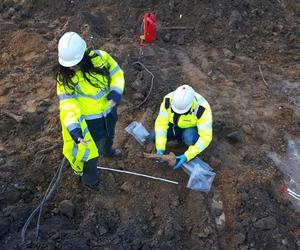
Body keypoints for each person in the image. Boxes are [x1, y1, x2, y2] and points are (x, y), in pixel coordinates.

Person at [56, 32, 125, 190]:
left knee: (109, 136)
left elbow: (117, 74)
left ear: (84, 55)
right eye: (68, 65)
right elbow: (68, 106)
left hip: (108, 113)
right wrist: (75, 130)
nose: (71, 67)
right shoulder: (64, 79)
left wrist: (115, 92)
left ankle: (108, 151)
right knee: (90, 156)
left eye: (75, 62)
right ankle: (91, 182)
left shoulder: (101, 58)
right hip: (88, 124)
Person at [151, 85, 212, 169]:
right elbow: (161, 124)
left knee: (189, 137)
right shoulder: (168, 101)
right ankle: (177, 139)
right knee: (153, 136)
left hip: (190, 129)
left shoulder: (202, 109)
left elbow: (205, 138)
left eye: (182, 112)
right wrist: (160, 148)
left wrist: (188, 155)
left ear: (190, 106)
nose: (178, 113)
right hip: (174, 126)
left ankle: (186, 145)